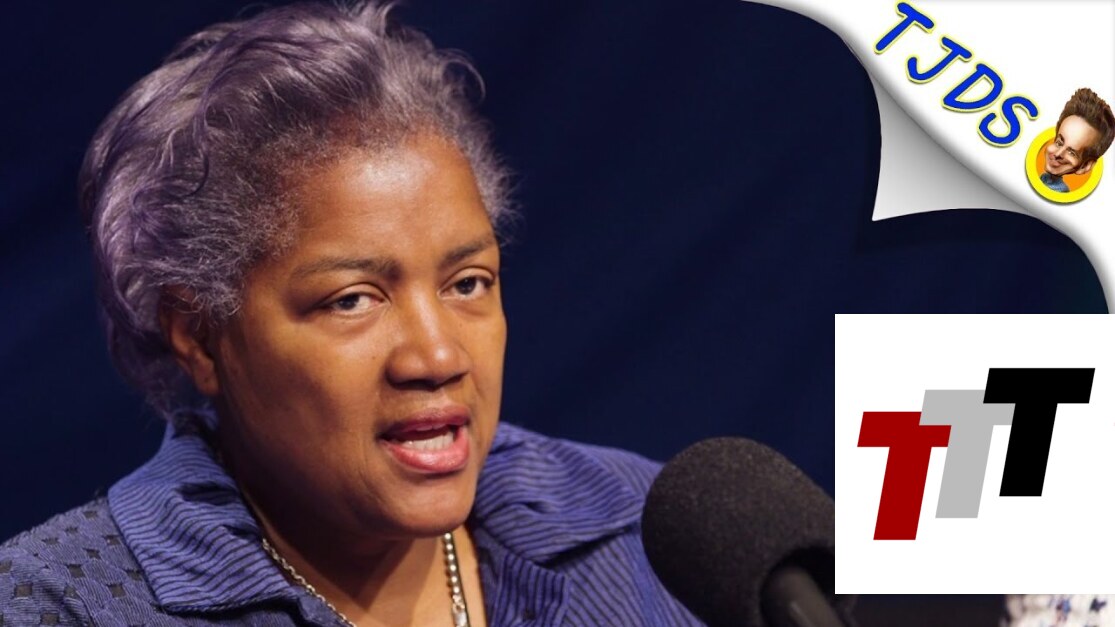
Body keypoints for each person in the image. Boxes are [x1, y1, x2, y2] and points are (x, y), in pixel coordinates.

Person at [0, 3, 702, 625]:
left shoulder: (651, 535)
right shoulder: (59, 606)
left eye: (467, 284)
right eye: (352, 299)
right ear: (201, 336)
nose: (438, 357)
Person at [1039, 88, 1114, 193]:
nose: (1058, 154)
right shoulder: (1042, 179)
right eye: (1059, 143)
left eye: (1072, 153)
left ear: (1085, 166)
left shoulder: (1059, 195)